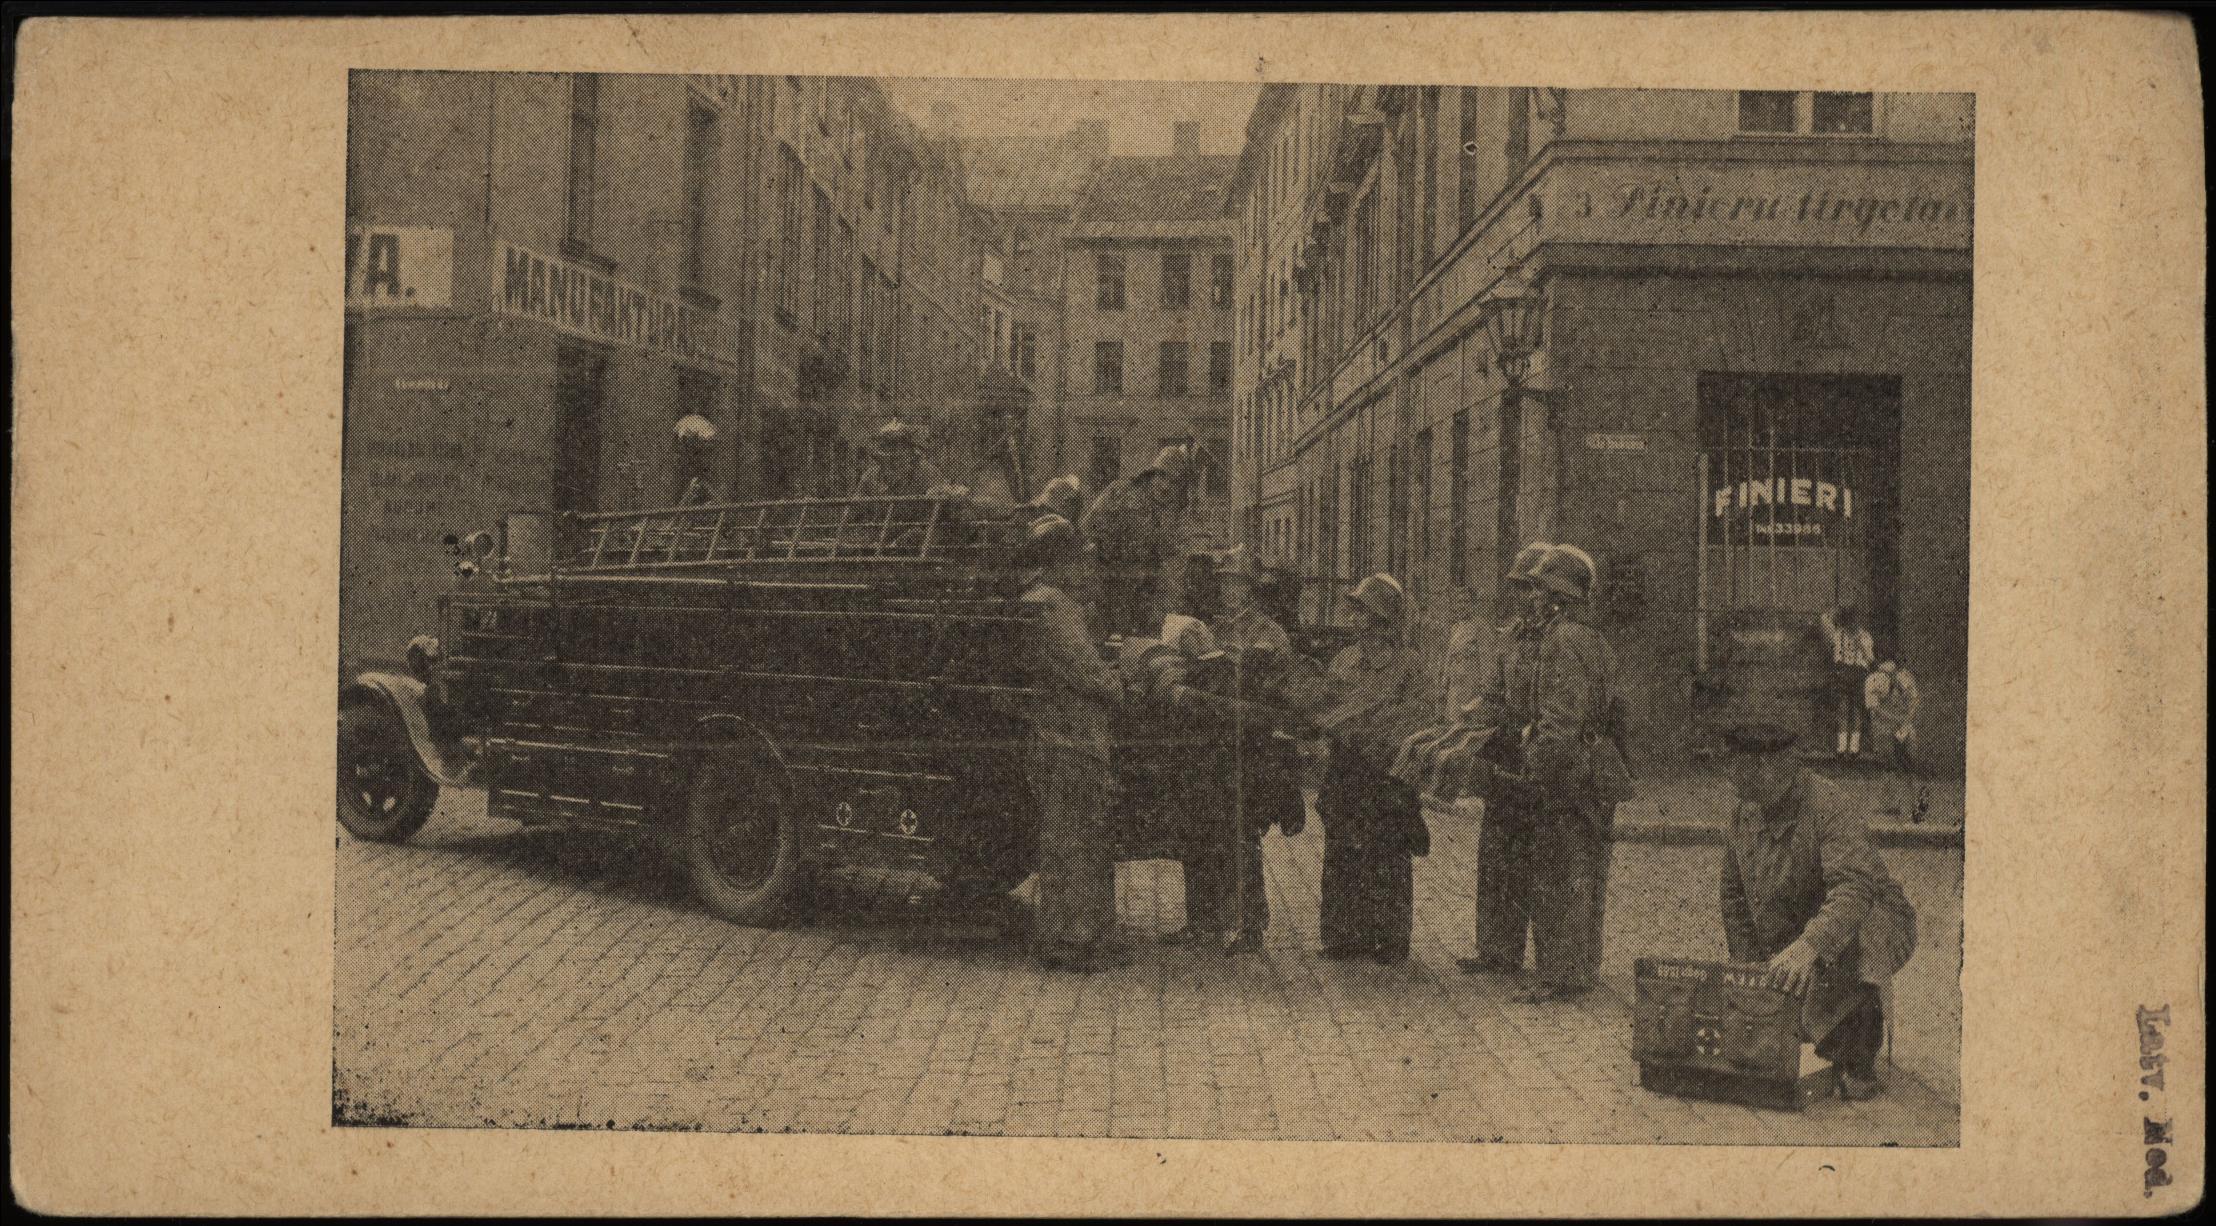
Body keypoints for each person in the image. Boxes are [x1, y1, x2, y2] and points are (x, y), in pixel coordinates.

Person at [1706, 628, 1920, 1101]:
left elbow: (1854, 890)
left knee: (1861, 940)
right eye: (1739, 770)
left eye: (1753, 770)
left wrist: (1808, 946)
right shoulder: (1744, 811)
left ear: (1784, 766)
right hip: (1803, 922)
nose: (1742, 782)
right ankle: (1822, 1024)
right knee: (1792, 1021)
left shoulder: (1829, 805)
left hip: (1869, 915)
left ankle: (1861, 1052)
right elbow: (1734, 897)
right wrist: (1749, 970)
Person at [1133, 612, 1307, 955]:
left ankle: (1247, 927)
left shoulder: (1220, 669)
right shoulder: (1192, 671)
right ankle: (1207, 924)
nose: (1196, 638)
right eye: (1187, 637)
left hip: (1232, 774)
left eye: (1194, 632)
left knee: (1236, 846)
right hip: (1211, 774)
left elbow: (1256, 715)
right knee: (1205, 846)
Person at [1516, 544, 1633, 1004]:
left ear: (1558, 596)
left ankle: (1556, 975)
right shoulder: (1595, 639)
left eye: (1540, 589)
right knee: (1588, 869)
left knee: (1557, 869)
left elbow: (1560, 720)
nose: (1534, 597)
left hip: (1568, 770)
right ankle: (1581, 968)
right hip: (1596, 766)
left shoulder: (1561, 640)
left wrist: (1536, 763)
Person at [1016, 514, 1132, 973]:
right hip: (1072, 740)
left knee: (1067, 838)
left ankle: (1078, 934)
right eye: (1076, 559)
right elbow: (1086, 672)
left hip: (1055, 736)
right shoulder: (1053, 606)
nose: (1084, 567)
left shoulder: (1035, 600)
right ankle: (1074, 939)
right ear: (1059, 561)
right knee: (1077, 839)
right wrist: (1120, 682)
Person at [1441, 542, 1556, 978]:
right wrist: (1468, 721)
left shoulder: (1561, 641)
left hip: (1542, 759)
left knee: (1541, 863)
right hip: (1506, 754)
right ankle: (1496, 952)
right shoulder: (1510, 639)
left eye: (1532, 588)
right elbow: (1492, 692)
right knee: (1497, 856)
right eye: (1520, 588)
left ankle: (1550, 963)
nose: (1525, 597)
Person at [1310, 573, 1433, 965]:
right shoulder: (1344, 660)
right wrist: (1327, 738)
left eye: (1362, 611)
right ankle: (1343, 936)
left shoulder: (1409, 665)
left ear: (1382, 618)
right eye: (1355, 611)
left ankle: (1390, 939)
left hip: (1387, 774)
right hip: (1346, 770)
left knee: (1388, 852)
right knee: (1342, 848)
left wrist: (1375, 734)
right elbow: (1324, 708)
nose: (1354, 618)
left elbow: (1419, 717)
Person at [1080, 445, 1193, 636]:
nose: (1165, 487)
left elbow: (1171, 564)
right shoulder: (1120, 492)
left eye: (1174, 482)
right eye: (1162, 476)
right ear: (1151, 474)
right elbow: (1087, 534)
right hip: (1104, 587)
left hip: (1138, 600)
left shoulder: (1172, 515)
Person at [1863, 653, 1928, 822]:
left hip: (1884, 728)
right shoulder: (1906, 676)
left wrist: (1895, 720)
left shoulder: (1873, 679)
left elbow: (1874, 710)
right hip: (1905, 728)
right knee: (1907, 766)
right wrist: (1905, 721)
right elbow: (1915, 701)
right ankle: (1913, 804)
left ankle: (1891, 803)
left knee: (1888, 766)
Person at [1818, 605, 1875, 759]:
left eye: (1855, 621)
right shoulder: (1839, 635)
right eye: (1849, 621)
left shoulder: (1865, 637)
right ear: (1846, 621)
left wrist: (1863, 648)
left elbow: (1870, 659)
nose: (1852, 625)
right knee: (1843, 709)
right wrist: (1839, 668)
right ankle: (1842, 747)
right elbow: (1836, 655)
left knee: (1856, 710)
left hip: (1859, 674)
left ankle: (1854, 748)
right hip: (1843, 673)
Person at [853, 420, 955, 498]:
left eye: (897, 444)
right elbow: (855, 509)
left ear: (909, 449)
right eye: (886, 444)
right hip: (883, 520)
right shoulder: (871, 476)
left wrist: (939, 492)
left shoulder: (925, 471)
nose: (891, 451)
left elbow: (946, 493)